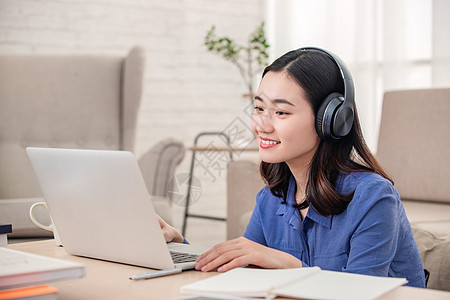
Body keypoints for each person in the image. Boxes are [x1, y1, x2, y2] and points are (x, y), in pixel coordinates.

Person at [158, 47, 426, 288]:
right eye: (260, 108)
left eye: (281, 112)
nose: (262, 124)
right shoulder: (270, 199)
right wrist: (179, 245)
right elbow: (242, 268)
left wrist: (290, 266)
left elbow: (360, 292)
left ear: (330, 120)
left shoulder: (374, 197)